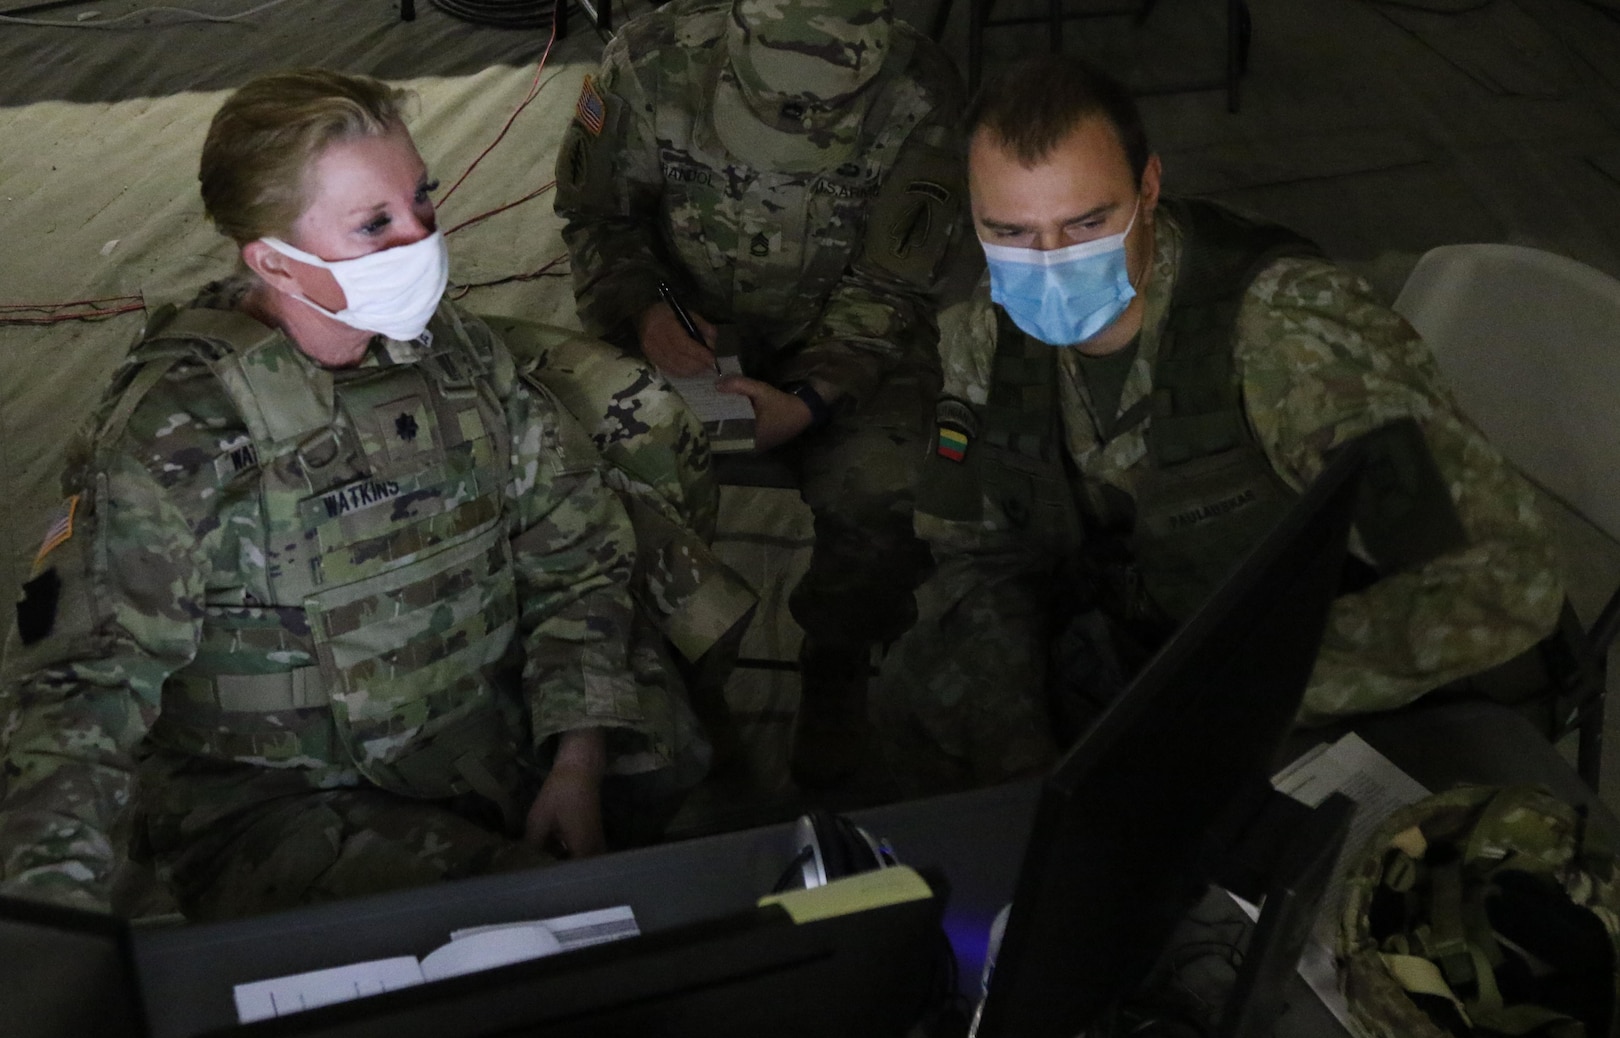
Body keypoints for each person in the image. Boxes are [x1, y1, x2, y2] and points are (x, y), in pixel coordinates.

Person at [0, 69, 741, 920]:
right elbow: (80, 687)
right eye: (375, 224)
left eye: (421, 200)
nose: (421, 236)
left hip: (478, 730)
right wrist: (47, 925)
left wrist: (576, 755)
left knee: (672, 756)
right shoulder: (178, 433)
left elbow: (571, 549)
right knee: (526, 923)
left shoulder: (451, 353)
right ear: (274, 259)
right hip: (284, 803)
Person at [875, 55, 1565, 796]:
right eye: (1010, 230)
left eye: (1086, 223)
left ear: (1148, 188)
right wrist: (1022, 764)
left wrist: (1223, 699)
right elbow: (981, 558)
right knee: (919, 697)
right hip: (1142, 639)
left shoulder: (1288, 345)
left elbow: (1496, 578)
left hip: (1311, 678)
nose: (1048, 265)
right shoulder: (990, 331)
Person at [552, 0, 979, 788]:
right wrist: (647, 316)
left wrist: (813, 398)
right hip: (684, 325)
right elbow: (596, 218)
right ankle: (669, 674)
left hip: (847, 336)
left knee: (894, 490)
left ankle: (840, 666)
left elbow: (895, 279)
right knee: (601, 468)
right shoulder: (646, 62)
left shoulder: (923, 93)